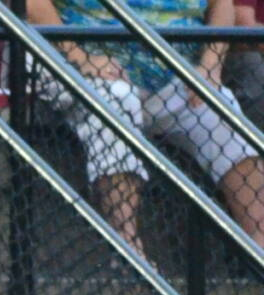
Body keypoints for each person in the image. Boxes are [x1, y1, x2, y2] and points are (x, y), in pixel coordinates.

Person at [38, 0, 264, 251]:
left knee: (221, 107)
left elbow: (221, 5)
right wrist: (79, 57)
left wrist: (210, 65)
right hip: (86, 67)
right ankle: (128, 249)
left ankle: (260, 244)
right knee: (118, 98)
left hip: (177, 71)